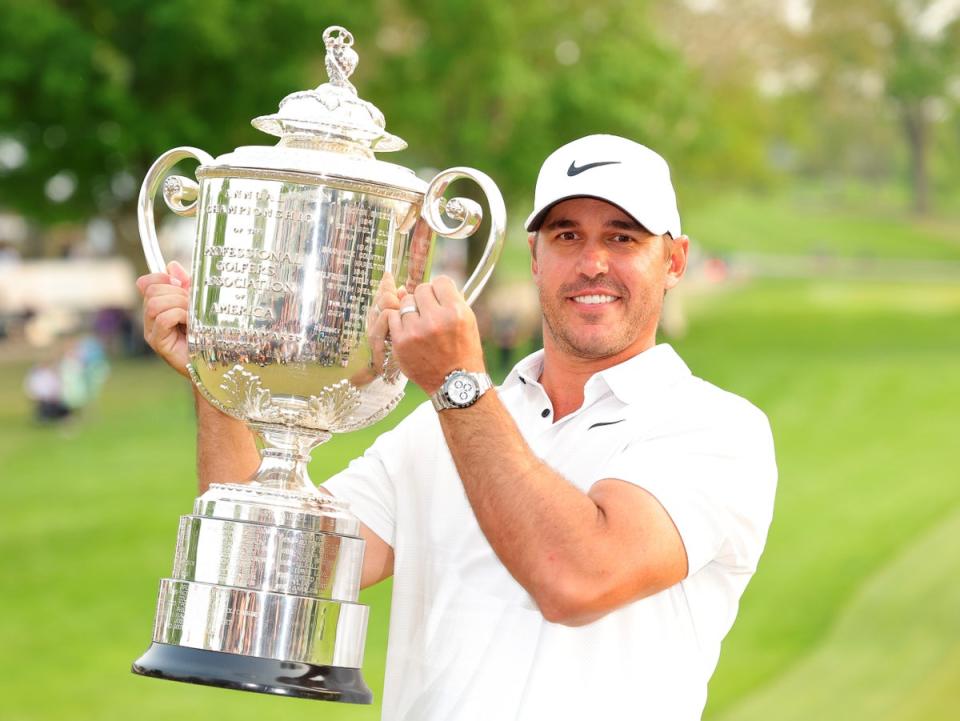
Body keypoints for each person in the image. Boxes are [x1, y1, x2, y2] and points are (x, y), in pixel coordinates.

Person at [137, 134, 777, 721]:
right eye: (566, 236)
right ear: (534, 254)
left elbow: (578, 579)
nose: (592, 264)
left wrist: (455, 384)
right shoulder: (437, 430)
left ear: (675, 260)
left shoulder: (716, 430)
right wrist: (216, 379)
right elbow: (262, 578)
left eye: (623, 238)